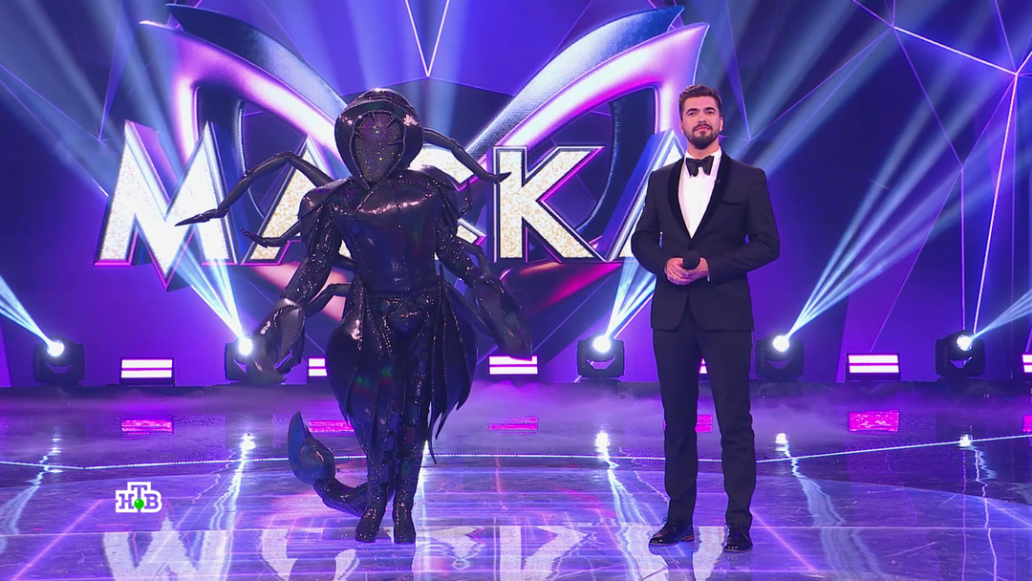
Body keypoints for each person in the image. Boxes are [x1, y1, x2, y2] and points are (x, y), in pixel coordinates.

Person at [179, 88, 530, 544]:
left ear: (404, 141)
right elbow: (315, 267)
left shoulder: (428, 189)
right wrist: (278, 317)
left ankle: (401, 510)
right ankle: (375, 503)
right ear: (350, 141)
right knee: (380, 420)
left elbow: (451, 252)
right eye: (367, 139)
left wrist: (489, 291)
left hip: (429, 314)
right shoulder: (337, 201)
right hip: (373, 318)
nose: (376, 149)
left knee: (415, 419)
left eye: (387, 138)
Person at [630, 84, 779, 552]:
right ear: (680, 123)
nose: (701, 118)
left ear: (720, 121)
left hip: (726, 313)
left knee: (734, 421)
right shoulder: (661, 180)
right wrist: (665, 264)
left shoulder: (749, 178)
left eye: (709, 111)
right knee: (677, 421)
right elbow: (641, 239)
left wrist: (713, 266)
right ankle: (679, 519)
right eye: (692, 112)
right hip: (672, 314)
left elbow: (767, 244)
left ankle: (739, 523)